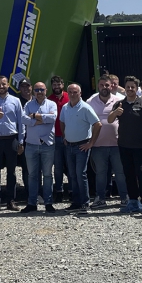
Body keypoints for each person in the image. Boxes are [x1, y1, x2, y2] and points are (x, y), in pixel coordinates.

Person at [109, 76, 142, 216]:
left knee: (141, 174)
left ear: (137, 89)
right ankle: (133, 201)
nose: (130, 89)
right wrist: (115, 113)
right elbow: (109, 119)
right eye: (128, 87)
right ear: (125, 88)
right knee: (128, 174)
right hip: (124, 146)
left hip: (140, 146)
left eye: (133, 87)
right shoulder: (119, 104)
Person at [0, 75, 25, 211]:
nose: (1, 87)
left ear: (8, 85)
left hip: (11, 140)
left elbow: (21, 122)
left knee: (11, 172)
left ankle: (10, 201)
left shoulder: (15, 101)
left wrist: (20, 141)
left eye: (4, 84)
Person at [88, 76, 129, 209]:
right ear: (98, 86)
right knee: (100, 173)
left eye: (107, 85)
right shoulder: (90, 101)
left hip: (117, 144)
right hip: (98, 144)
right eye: (101, 85)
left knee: (120, 172)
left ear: (112, 86)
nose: (104, 88)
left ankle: (124, 198)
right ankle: (100, 198)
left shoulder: (119, 100)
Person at [59, 83, 101, 211]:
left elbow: (98, 124)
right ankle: (76, 202)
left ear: (80, 93)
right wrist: (64, 136)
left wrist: (91, 143)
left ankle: (85, 202)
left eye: (75, 92)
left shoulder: (85, 108)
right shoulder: (65, 108)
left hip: (82, 146)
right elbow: (62, 121)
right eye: (70, 92)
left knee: (80, 174)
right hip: (69, 146)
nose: (72, 94)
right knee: (72, 175)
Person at [21, 81, 58, 213]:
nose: (39, 92)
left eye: (41, 89)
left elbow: (53, 118)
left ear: (46, 90)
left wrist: (35, 117)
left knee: (47, 175)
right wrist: (40, 120)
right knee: (32, 175)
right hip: (31, 144)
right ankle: (32, 203)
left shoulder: (51, 104)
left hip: (47, 144)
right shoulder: (28, 104)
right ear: (34, 92)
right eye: (37, 90)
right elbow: (23, 119)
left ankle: (48, 203)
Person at [48, 76, 70, 202]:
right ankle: (59, 191)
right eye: (54, 85)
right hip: (55, 137)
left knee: (70, 166)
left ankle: (72, 190)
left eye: (58, 84)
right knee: (57, 167)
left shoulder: (69, 96)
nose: (57, 87)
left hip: (70, 136)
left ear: (63, 84)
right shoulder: (49, 100)